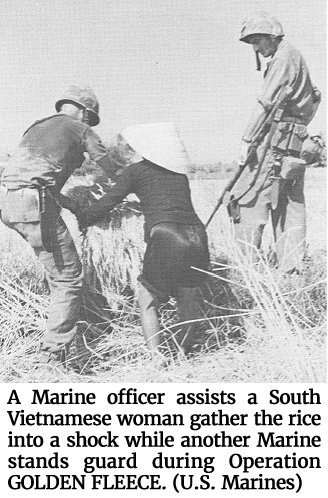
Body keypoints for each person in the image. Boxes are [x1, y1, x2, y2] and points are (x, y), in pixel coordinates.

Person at [0, 85, 118, 364]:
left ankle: (60, 318)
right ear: (83, 111)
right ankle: (52, 355)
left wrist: (69, 203)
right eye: (90, 117)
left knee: (54, 265)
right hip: (33, 204)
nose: (89, 123)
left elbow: (31, 176)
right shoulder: (80, 128)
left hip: (8, 201)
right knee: (68, 277)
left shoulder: (36, 127)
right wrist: (132, 183)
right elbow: (107, 162)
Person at [74, 122, 210, 361]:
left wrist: (84, 216)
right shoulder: (179, 174)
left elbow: (109, 201)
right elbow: (164, 199)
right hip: (198, 235)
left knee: (147, 300)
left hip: (167, 236)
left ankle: (157, 361)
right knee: (187, 300)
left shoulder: (136, 171)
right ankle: (182, 356)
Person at [229, 11, 321, 272]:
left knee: (248, 197)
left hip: (275, 143)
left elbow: (265, 104)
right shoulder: (294, 55)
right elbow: (315, 97)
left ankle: (246, 270)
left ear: (271, 36)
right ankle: (291, 269)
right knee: (289, 203)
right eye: (251, 43)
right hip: (295, 143)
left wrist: (247, 139)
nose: (256, 47)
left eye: (257, 40)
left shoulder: (282, 58)